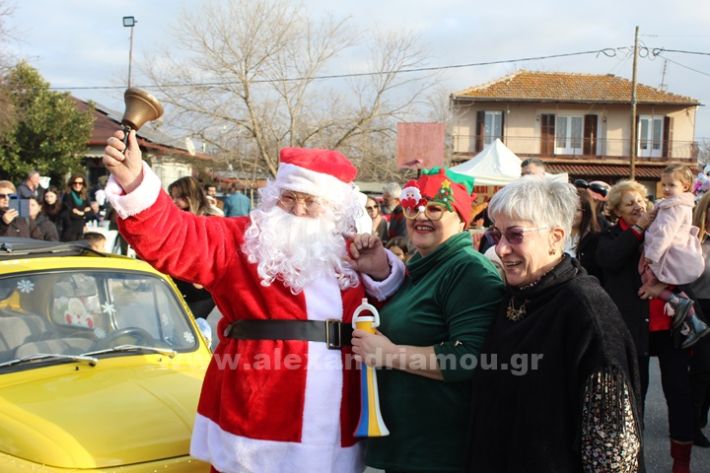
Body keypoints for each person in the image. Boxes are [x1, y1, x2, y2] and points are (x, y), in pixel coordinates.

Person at [103, 129, 405, 473]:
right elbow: (174, 236)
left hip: (337, 416)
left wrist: (381, 270)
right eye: (288, 198)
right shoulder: (240, 240)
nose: (298, 209)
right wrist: (135, 182)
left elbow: (396, 312)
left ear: (333, 208)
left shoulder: (352, 252)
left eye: (311, 201)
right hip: (258, 411)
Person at [466, 176, 642, 473]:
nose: (501, 249)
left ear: (555, 237)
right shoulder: (516, 294)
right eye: (497, 235)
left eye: (515, 235)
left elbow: (612, 452)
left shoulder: (585, 308)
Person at [351, 168, 504, 473]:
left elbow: (470, 358)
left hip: (439, 453)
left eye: (435, 208)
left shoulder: (469, 270)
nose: (421, 216)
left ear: (461, 219)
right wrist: (381, 271)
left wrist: (389, 354)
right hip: (410, 447)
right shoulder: (425, 267)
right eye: (413, 207)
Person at [597, 179, 697, 472]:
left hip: (669, 325)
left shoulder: (664, 228)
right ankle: (634, 461)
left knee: (679, 393)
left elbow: (687, 264)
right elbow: (609, 260)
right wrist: (638, 230)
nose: (638, 207)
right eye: (629, 204)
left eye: (641, 201)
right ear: (617, 211)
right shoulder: (610, 236)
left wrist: (662, 286)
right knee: (634, 399)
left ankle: (682, 462)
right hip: (632, 329)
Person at [638, 165, 708, 349]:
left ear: (685, 186)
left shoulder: (674, 207)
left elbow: (665, 233)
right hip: (671, 251)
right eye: (664, 184)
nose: (667, 189)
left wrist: (652, 255)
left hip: (668, 252)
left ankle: (679, 303)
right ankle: (693, 322)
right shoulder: (675, 204)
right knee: (671, 284)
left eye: (672, 185)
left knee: (648, 279)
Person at [167, 176, 223, 319]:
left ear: (190, 196)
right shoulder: (176, 218)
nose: (174, 201)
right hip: (178, 281)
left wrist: (200, 280)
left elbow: (216, 252)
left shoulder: (211, 219)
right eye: (172, 197)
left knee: (191, 324)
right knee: (176, 325)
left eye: (178, 197)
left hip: (201, 287)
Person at [689, 191, 710, 447]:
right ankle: (692, 424)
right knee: (702, 368)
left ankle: (701, 414)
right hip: (698, 307)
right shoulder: (693, 239)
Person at [566, 189, 604, 282]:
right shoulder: (553, 236)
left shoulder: (595, 239)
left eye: (577, 210)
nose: (571, 213)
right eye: (568, 208)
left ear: (586, 212)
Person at [60, 174, 93, 241]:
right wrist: (84, 213)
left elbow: (90, 212)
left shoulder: (84, 196)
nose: (77, 185)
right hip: (70, 229)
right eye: (75, 183)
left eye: (80, 183)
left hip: (81, 227)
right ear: (71, 183)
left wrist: (81, 213)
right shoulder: (68, 195)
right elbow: (70, 213)